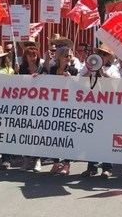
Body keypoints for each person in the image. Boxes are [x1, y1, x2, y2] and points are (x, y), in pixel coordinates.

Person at [80, 44, 120, 178]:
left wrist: (102, 72)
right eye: (100, 53)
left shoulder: (114, 69)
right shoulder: (89, 65)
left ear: (109, 57)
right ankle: (91, 167)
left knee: (107, 138)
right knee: (92, 137)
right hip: (92, 106)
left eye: (105, 54)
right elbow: (78, 79)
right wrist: (90, 70)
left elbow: (116, 85)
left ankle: (107, 167)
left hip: (108, 109)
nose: (102, 56)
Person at [43, 46, 78, 175]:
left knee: (67, 137)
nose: (68, 58)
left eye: (70, 56)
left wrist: (71, 79)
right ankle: (56, 162)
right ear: (59, 57)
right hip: (54, 106)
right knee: (53, 136)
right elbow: (46, 80)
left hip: (68, 107)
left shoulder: (73, 71)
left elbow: (79, 88)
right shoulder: (53, 69)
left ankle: (67, 164)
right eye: (66, 56)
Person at [17, 41, 44, 172]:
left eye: (34, 55)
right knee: (26, 133)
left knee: (37, 134)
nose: (32, 58)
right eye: (29, 56)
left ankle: (37, 160)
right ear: (25, 57)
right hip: (25, 106)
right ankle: (27, 160)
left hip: (39, 106)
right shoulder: (21, 69)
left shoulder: (42, 69)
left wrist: (40, 77)